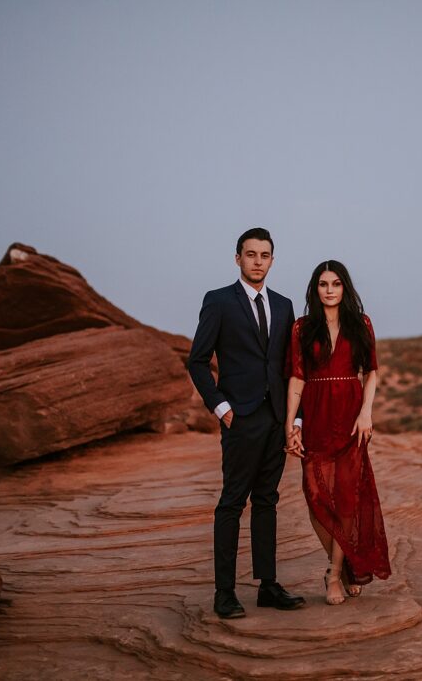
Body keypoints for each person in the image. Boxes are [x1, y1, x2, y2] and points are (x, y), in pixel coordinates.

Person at [188, 228, 306, 619]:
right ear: (237, 258)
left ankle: (268, 586)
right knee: (232, 503)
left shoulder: (285, 305)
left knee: (268, 501)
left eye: (265, 255)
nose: (258, 261)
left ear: (273, 260)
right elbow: (198, 360)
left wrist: (294, 418)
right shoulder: (219, 301)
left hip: (276, 418)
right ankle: (224, 593)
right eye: (251, 254)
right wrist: (222, 408)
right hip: (239, 418)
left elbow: (292, 367)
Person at [285, 260, 391, 605]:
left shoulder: (361, 323)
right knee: (316, 497)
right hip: (315, 415)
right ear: (315, 289)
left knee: (346, 500)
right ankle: (346, 564)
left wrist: (366, 413)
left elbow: (371, 372)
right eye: (322, 284)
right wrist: (291, 424)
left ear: (345, 288)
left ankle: (334, 574)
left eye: (335, 284)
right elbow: (297, 377)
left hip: (350, 417)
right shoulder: (302, 327)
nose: (329, 290)